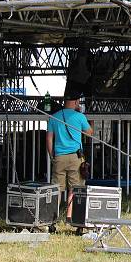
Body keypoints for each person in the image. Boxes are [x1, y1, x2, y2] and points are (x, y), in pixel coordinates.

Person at [46, 92, 94, 221]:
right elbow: (90, 133)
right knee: (74, 188)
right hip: (75, 157)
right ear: (75, 102)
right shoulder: (79, 116)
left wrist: (52, 156)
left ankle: (52, 218)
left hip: (59, 157)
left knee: (57, 189)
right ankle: (69, 216)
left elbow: (49, 139)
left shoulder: (54, 117)